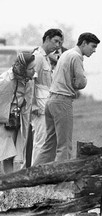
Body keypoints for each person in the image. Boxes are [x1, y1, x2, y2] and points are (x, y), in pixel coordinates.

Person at [33, 32, 100, 166]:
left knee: (49, 144)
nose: (94, 50)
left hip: (51, 101)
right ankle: (62, 181)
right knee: (64, 145)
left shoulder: (66, 53)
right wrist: (77, 82)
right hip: (62, 101)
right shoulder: (76, 56)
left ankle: (32, 177)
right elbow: (81, 83)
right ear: (84, 43)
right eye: (93, 46)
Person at [30, 29, 64, 165]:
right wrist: (33, 104)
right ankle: (34, 174)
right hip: (39, 105)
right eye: (56, 41)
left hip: (47, 104)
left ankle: (41, 172)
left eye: (60, 42)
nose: (58, 45)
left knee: (47, 141)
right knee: (40, 141)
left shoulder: (46, 58)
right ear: (47, 39)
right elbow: (30, 81)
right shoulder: (37, 57)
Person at [0, 52, 36, 173]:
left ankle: (8, 188)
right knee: (5, 153)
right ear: (23, 69)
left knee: (9, 155)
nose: (34, 71)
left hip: (14, 122)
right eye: (31, 68)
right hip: (3, 120)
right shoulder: (6, 80)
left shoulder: (28, 80)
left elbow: (28, 102)